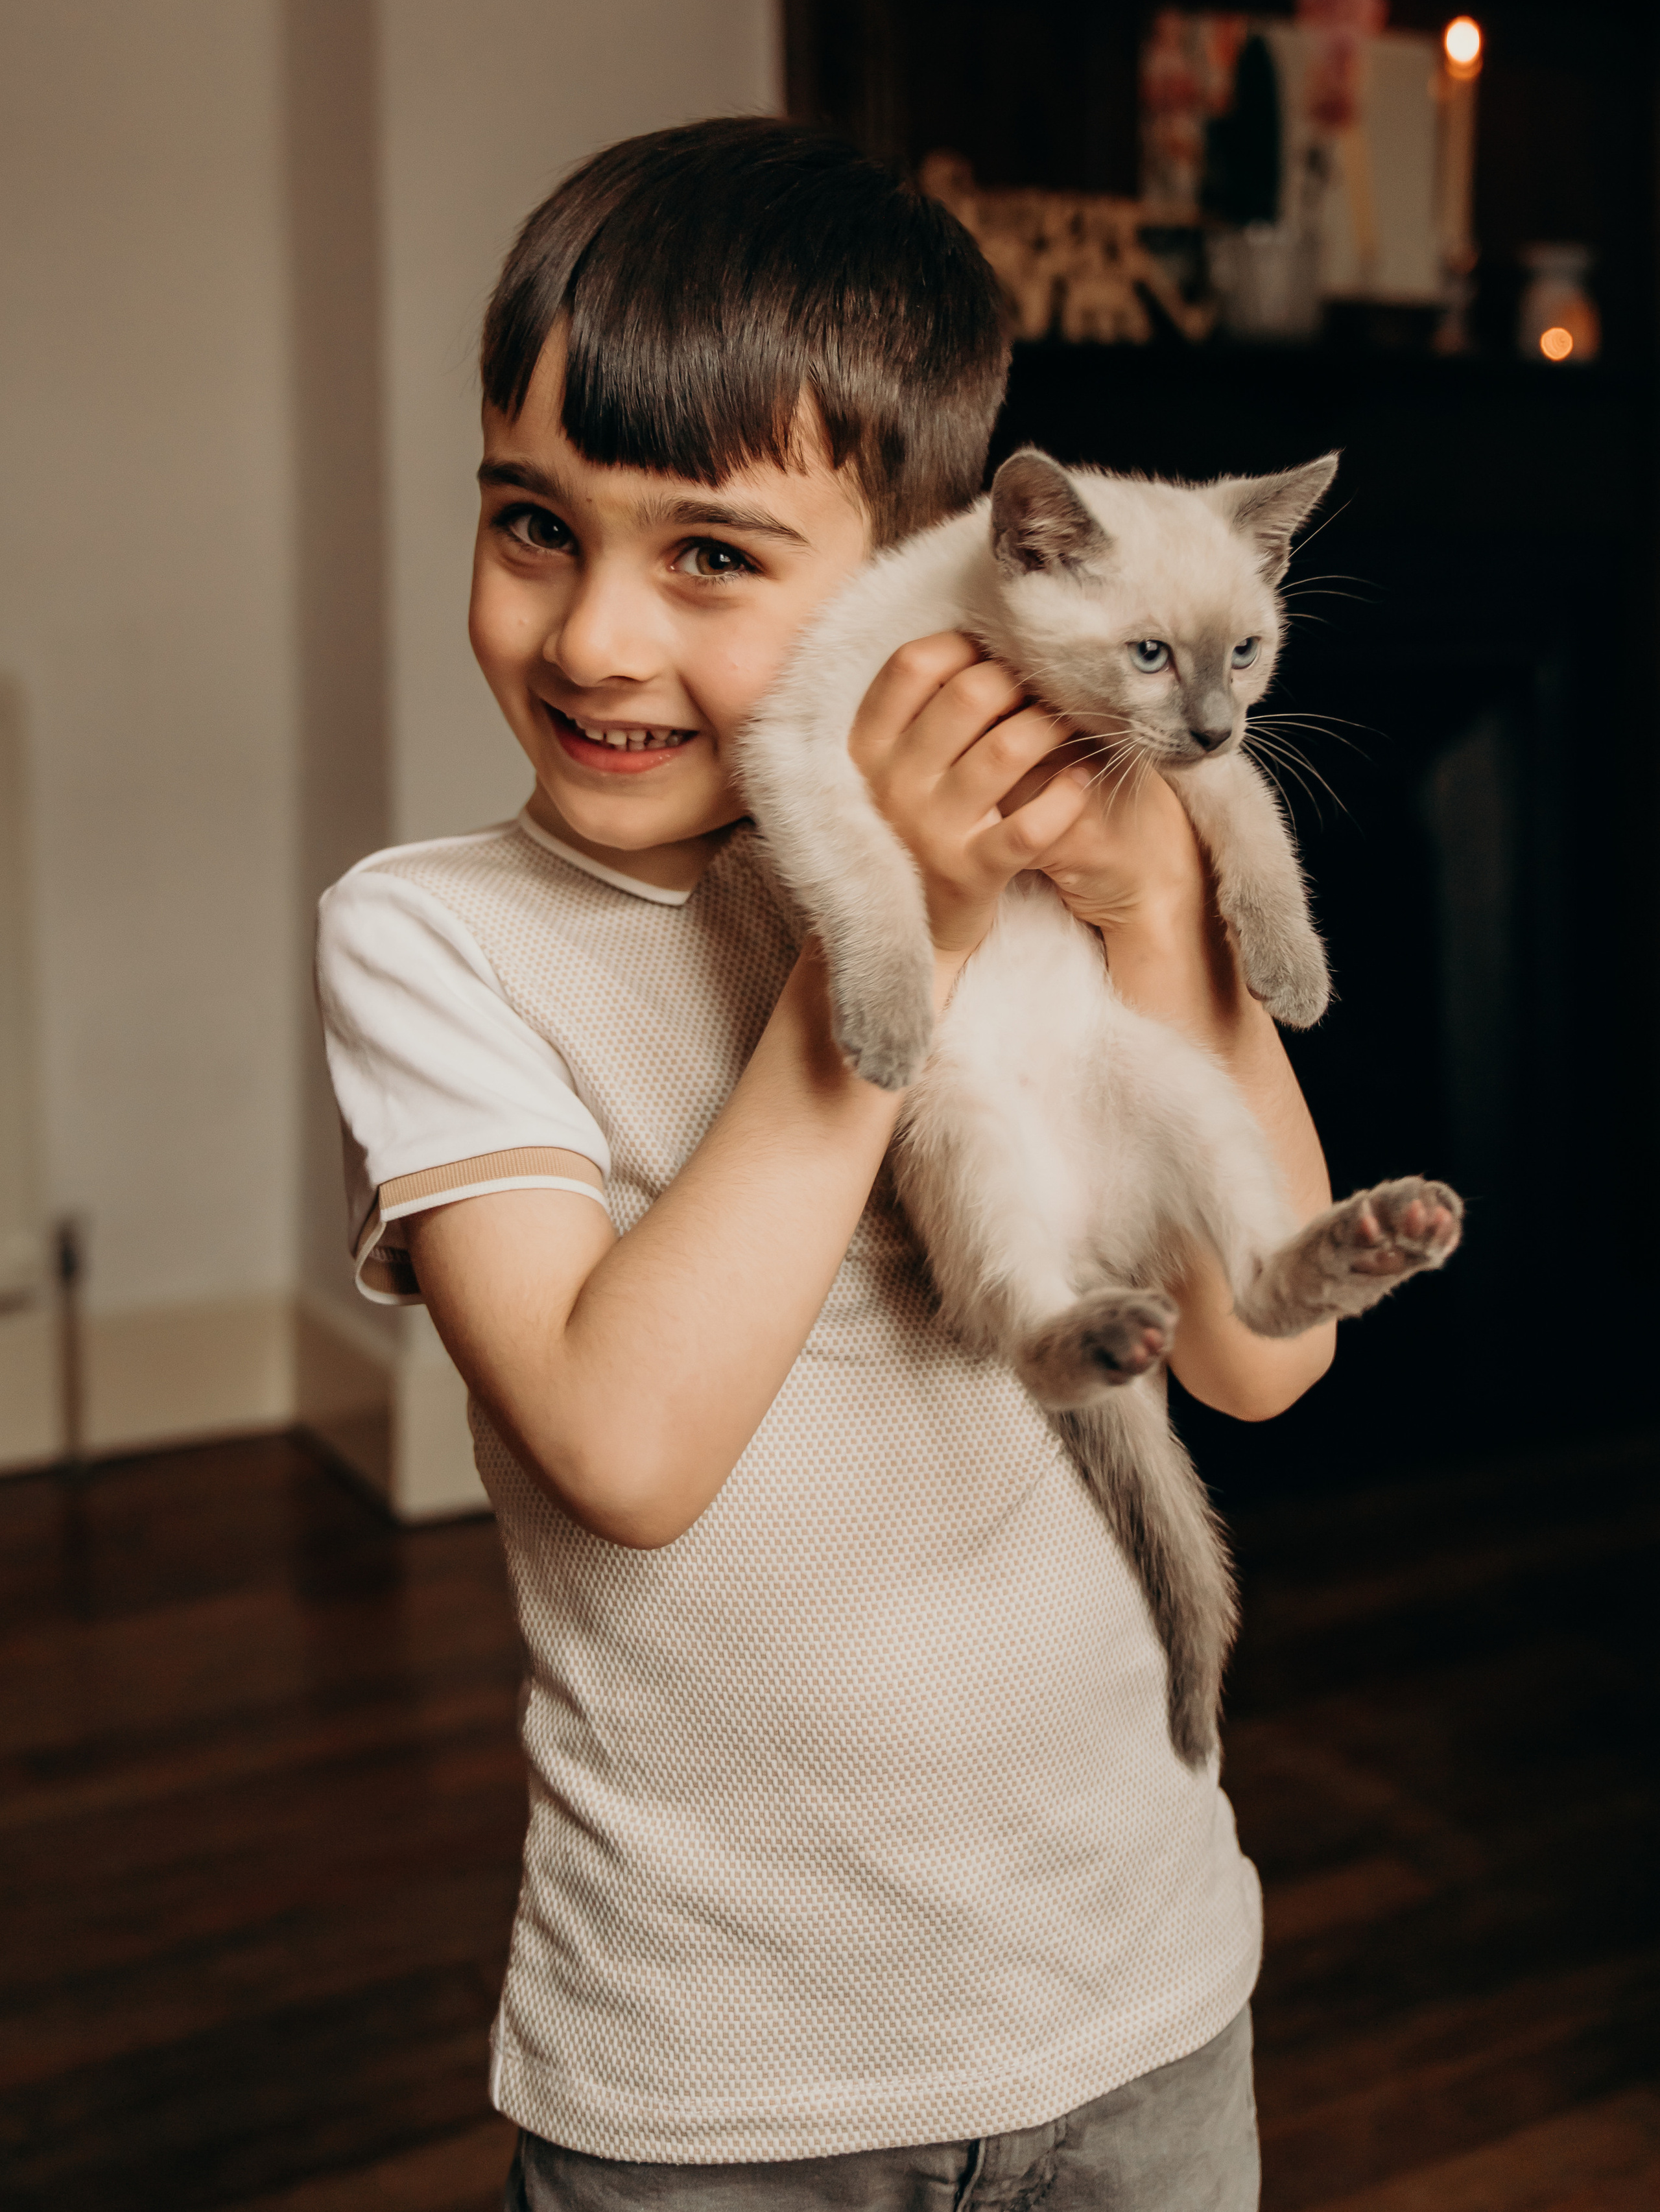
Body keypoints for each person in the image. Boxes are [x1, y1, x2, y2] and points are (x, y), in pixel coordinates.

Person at [316, 117, 1341, 2211]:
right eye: (532, 523)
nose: (596, 636)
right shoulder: (432, 938)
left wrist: (1155, 914)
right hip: (726, 2071)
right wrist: (915, 923)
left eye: (708, 554)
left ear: (917, 570)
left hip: (1136, 1978)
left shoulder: (1067, 840)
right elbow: (625, 1443)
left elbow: (1260, 1363)